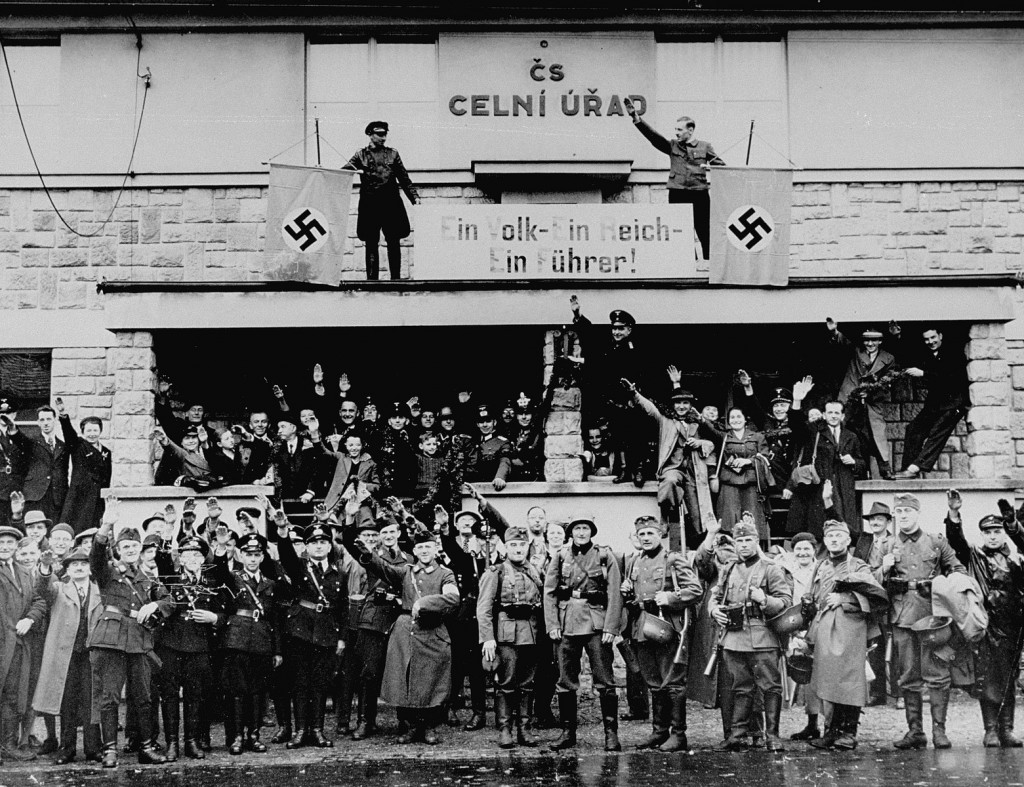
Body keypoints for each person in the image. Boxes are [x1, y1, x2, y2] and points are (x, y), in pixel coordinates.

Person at [875, 492, 966, 750]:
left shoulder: (936, 542)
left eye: (908, 511)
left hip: (933, 618)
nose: (903, 516)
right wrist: (883, 567)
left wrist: (946, 588)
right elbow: (870, 579)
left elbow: (957, 569)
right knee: (908, 676)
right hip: (902, 616)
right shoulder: (886, 545)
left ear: (917, 513)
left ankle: (940, 731)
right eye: (899, 512)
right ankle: (916, 731)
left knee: (937, 675)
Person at [355, 524, 459, 745]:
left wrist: (424, 602)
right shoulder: (406, 571)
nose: (423, 551)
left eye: (427, 547)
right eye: (419, 547)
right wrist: (368, 555)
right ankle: (410, 726)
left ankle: (429, 727)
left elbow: (453, 598)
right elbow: (384, 568)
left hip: (433, 630)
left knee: (431, 678)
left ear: (435, 549)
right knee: (405, 677)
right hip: (406, 630)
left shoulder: (445, 574)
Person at [88, 501, 171, 768]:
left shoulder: (147, 580)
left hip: (138, 641)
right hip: (111, 640)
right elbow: (96, 554)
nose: (132, 550)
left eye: (135, 547)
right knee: (110, 697)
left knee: (144, 697)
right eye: (126, 547)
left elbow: (170, 601)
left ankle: (145, 747)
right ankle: (110, 749)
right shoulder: (107, 572)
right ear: (119, 550)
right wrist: (107, 525)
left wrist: (155, 605)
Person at [946, 493, 1024, 748]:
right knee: (987, 677)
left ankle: (1007, 729)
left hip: (1011, 627)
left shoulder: (1016, 558)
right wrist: (954, 514)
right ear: (982, 535)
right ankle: (990, 729)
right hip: (984, 626)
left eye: (997, 530)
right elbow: (956, 542)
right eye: (987, 531)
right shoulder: (974, 557)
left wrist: (1014, 526)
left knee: (1009, 677)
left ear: (1004, 533)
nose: (992, 536)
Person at [804, 519, 888, 751]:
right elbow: (812, 593)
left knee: (849, 679)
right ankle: (831, 731)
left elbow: (876, 596)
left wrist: (845, 599)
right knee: (827, 678)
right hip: (824, 628)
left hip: (850, 627)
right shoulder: (820, 566)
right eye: (830, 536)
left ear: (848, 540)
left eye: (839, 536)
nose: (834, 540)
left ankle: (849, 732)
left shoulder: (858, 566)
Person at [622, 515, 704, 752]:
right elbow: (635, 595)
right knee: (654, 682)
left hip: (667, 626)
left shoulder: (673, 559)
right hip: (641, 625)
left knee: (673, 682)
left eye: (651, 533)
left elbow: (695, 590)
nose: (646, 538)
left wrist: (671, 598)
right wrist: (628, 592)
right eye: (642, 534)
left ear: (661, 535)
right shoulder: (634, 562)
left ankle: (678, 735)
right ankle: (659, 732)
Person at [709, 521, 793, 752]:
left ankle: (772, 736)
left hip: (762, 637)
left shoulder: (771, 568)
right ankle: (737, 735)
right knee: (740, 687)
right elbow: (715, 597)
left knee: (770, 687)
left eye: (748, 540)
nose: (744, 545)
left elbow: (786, 602)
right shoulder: (728, 568)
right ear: (734, 544)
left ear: (756, 542)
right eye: (739, 541)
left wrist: (764, 599)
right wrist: (714, 610)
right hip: (734, 638)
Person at [544, 512, 624, 752]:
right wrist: (552, 625)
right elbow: (549, 592)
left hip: (597, 623)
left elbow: (614, 592)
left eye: (585, 528)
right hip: (567, 623)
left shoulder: (603, 555)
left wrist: (611, 627)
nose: (581, 532)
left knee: (605, 681)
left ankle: (611, 734)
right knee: (566, 680)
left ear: (592, 532)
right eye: (577, 528)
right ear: (571, 533)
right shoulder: (560, 556)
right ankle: (568, 733)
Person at [273, 517, 348, 749]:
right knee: (300, 683)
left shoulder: (339, 574)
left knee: (319, 684)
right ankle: (300, 731)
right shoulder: (299, 568)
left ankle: (317, 730)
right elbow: (285, 554)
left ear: (329, 546)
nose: (318, 546)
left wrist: (342, 637)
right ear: (306, 546)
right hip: (300, 632)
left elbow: (343, 608)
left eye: (323, 542)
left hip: (326, 633)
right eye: (313, 542)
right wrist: (283, 531)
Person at [209, 529, 282, 756]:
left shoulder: (271, 584)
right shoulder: (233, 579)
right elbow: (219, 573)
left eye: (256, 555)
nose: (252, 559)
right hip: (236, 640)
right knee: (236, 691)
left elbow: (276, 620)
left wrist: (277, 650)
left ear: (262, 557)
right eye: (248, 554)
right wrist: (221, 548)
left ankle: (254, 735)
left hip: (261, 641)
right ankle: (236, 737)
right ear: (241, 556)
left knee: (257, 692)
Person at [624, 98, 724, 260]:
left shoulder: (705, 147)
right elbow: (653, 137)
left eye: (679, 129)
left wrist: (709, 168)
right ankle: (689, 263)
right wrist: (636, 118)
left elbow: (722, 167)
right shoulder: (672, 146)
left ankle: (709, 263)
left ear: (690, 130)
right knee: (680, 230)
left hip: (699, 193)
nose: (676, 132)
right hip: (678, 193)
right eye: (675, 129)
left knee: (704, 229)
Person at [340, 515, 412, 740]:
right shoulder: (369, 555)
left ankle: (405, 720)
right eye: (384, 533)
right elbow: (350, 543)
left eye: (392, 531)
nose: (388, 536)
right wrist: (350, 519)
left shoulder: (410, 558)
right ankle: (365, 721)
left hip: (399, 618)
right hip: (374, 619)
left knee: (403, 669)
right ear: (379, 537)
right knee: (369, 672)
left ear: (398, 533)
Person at [625, 373, 715, 549]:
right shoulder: (666, 420)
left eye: (685, 403)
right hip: (672, 467)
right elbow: (649, 408)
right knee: (669, 482)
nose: (681, 406)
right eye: (678, 403)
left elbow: (714, 442)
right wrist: (634, 393)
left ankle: (699, 549)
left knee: (697, 515)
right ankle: (664, 517)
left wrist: (700, 442)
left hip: (694, 471)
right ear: (673, 405)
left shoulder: (698, 423)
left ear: (691, 405)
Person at [477, 524, 545, 749]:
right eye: (513, 545)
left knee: (528, 684)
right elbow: (484, 608)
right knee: (506, 683)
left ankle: (524, 730)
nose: (518, 549)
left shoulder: (535, 571)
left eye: (522, 545)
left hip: (532, 633)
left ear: (528, 547)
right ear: (505, 547)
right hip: (507, 635)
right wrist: (487, 638)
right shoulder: (495, 572)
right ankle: (505, 730)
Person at [156, 536, 223, 761]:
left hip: (199, 644)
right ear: (180, 558)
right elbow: (162, 560)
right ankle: (172, 743)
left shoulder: (212, 582)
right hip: (172, 643)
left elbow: (225, 609)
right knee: (170, 695)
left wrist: (214, 617)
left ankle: (191, 742)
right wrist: (167, 533)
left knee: (196, 695)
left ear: (204, 558)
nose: (191, 559)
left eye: (196, 555)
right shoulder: (171, 577)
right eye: (186, 554)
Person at [33, 547, 102, 764]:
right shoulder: (58, 588)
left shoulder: (100, 590)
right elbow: (42, 589)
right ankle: (67, 748)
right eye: (74, 564)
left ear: (91, 568)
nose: (79, 567)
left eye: (83, 564)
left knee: (92, 700)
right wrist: (45, 567)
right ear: (68, 570)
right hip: (66, 655)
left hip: (92, 653)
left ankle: (93, 748)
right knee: (67, 701)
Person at [571, 296, 649, 487]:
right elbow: (590, 339)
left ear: (629, 329)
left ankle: (638, 471)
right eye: (614, 328)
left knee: (636, 437)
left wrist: (637, 394)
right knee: (619, 437)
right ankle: (623, 470)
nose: (616, 332)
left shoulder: (638, 349)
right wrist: (578, 315)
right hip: (614, 402)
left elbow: (646, 375)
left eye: (620, 328)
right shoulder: (608, 347)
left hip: (634, 401)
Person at [785, 377, 865, 541]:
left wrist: (854, 462)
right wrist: (797, 401)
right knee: (821, 529)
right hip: (820, 488)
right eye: (830, 412)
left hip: (844, 488)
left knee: (845, 528)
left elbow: (863, 464)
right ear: (823, 414)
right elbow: (796, 425)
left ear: (843, 416)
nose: (833, 416)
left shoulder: (851, 436)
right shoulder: (814, 431)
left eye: (837, 413)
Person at [346, 120, 419, 281]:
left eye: (385, 134)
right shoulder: (360, 155)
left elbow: (404, 179)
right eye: (379, 134)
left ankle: (396, 280)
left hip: (391, 204)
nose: (383, 138)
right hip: (370, 205)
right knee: (371, 242)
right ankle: (372, 282)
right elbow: (344, 173)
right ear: (370, 135)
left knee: (394, 241)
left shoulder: (393, 154)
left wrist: (415, 199)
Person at [827, 319, 899, 479]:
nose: (870, 343)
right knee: (845, 428)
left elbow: (889, 381)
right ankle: (838, 463)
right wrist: (834, 331)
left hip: (872, 400)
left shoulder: (888, 358)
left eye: (874, 340)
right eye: (867, 340)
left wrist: (871, 393)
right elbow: (843, 342)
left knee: (876, 431)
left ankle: (884, 467)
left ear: (880, 341)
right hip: (850, 395)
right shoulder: (857, 351)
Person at [896, 326, 970, 479]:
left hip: (954, 403)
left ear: (940, 336)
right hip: (935, 404)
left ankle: (916, 467)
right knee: (913, 430)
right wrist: (897, 336)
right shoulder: (927, 354)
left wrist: (924, 373)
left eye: (933, 337)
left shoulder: (953, 353)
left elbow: (950, 377)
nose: (930, 342)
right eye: (926, 339)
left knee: (937, 433)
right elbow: (906, 357)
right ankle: (907, 471)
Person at [0, 523, 46, 765]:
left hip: (18, 644)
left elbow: (37, 600)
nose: (5, 547)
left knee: (12, 694)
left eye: (9, 543)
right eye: (1, 542)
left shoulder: (24, 571)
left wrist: (30, 618)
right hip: (2, 642)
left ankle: (7, 745)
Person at [702, 407, 773, 544]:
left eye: (739, 417)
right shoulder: (723, 437)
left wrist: (749, 461)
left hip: (751, 484)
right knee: (728, 520)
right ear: (728, 422)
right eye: (732, 418)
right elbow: (709, 429)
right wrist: (702, 419)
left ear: (745, 419)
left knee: (753, 521)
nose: (736, 420)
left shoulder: (757, 437)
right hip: (729, 483)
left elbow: (765, 458)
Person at [53, 398, 111, 534]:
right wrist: (63, 415)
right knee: (75, 527)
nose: (92, 434)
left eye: (95, 430)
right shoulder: (78, 444)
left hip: (97, 497)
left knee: (94, 528)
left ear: (100, 431)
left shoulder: (106, 451)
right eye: (88, 430)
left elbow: (107, 476)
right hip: (79, 495)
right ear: (83, 432)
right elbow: (68, 432)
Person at [7, 405, 69, 521]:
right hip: (35, 496)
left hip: (57, 498)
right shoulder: (32, 442)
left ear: (54, 420)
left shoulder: (62, 446)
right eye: (42, 420)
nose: (45, 423)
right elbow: (20, 440)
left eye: (48, 419)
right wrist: (13, 429)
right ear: (38, 423)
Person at [464, 406, 511, 492]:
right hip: (472, 488)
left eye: (488, 421)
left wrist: (500, 477)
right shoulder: (471, 442)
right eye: (481, 422)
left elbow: (505, 460)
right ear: (477, 424)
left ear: (494, 422)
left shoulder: (502, 442)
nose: (485, 425)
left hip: (492, 488)